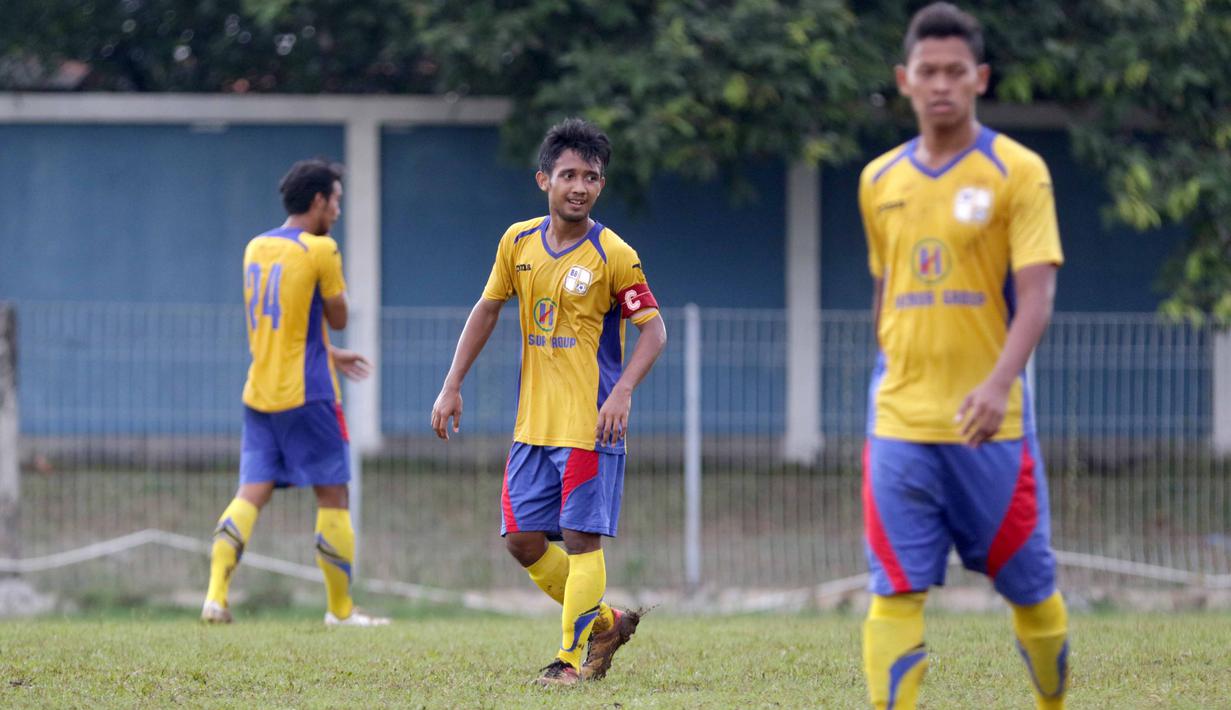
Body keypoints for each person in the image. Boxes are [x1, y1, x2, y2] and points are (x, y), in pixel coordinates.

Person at [856, 4, 1069, 708]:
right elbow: (886, 294)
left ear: (978, 78)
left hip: (991, 424)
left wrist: (995, 384)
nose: (940, 83)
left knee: (1030, 591)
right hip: (898, 422)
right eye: (927, 71)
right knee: (893, 589)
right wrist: (893, 369)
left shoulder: (1018, 171)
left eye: (955, 71)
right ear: (904, 79)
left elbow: (1035, 298)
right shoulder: (878, 180)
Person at [431, 118, 667, 686]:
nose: (579, 186)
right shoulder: (517, 242)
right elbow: (487, 308)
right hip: (532, 426)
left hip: (589, 425)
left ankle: (569, 661)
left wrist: (623, 391)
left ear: (600, 186)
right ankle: (605, 621)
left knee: (583, 539)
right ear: (544, 180)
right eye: (568, 175)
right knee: (521, 540)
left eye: (591, 176)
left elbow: (654, 330)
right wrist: (451, 383)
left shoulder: (615, 254)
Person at [201, 159, 388, 627]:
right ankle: (341, 611)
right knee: (333, 496)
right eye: (337, 201)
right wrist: (330, 337)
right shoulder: (320, 249)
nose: (339, 211)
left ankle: (215, 598)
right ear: (320, 201)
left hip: (260, 392)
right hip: (309, 395)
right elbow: (338, 315)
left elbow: (288, 319)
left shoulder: (256, 247)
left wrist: (329, 351)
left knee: (250, 494)